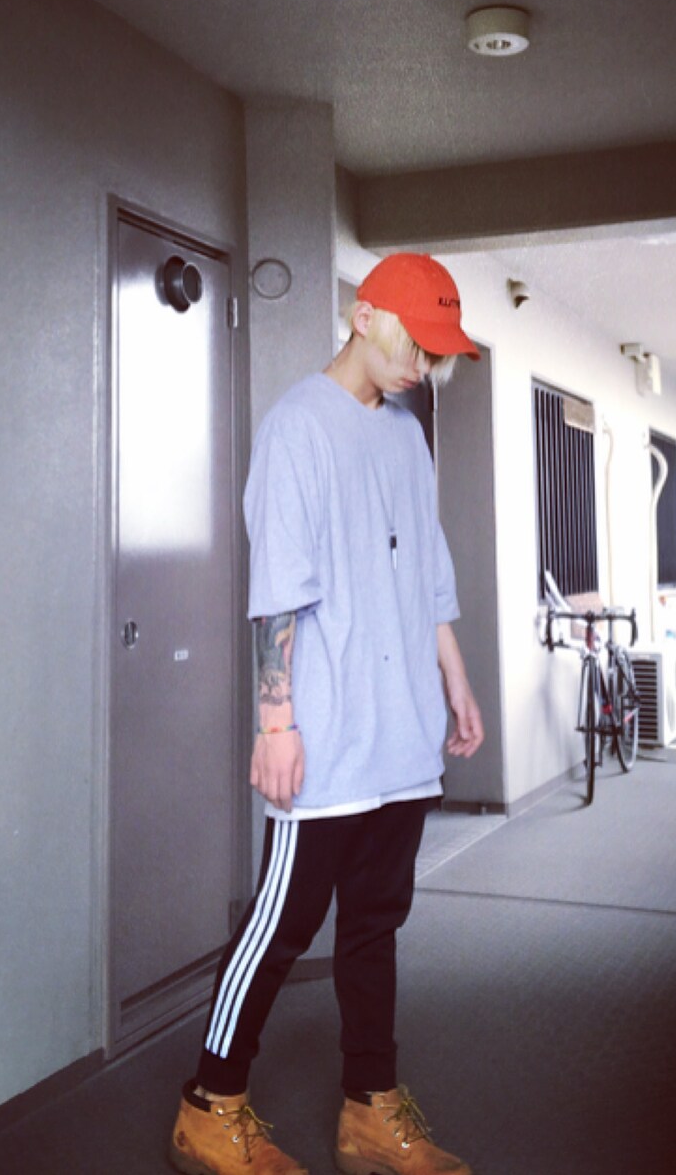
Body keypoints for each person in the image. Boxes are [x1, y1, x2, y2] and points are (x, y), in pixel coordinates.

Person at [170, 253, 485, 1175]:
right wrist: (276, 725)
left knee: (375, 925)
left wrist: (456, 682)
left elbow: (427, 571)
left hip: (402, 732)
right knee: (281, 926)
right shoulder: (296, 428)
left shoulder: (407, 436)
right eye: (414, 346)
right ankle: (209, 1106)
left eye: (436, 355)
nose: (421, 368)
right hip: (327, 735)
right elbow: (278, 593)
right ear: (363, 315)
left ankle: (369, 1110)